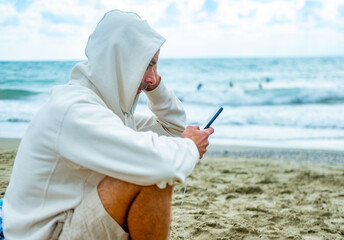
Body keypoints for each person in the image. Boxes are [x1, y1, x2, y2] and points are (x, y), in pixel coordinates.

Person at [3, 10, 214, 240]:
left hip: (67, 217)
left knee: (146, 165)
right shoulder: (76, 110)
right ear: (122, 61)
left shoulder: (107, 109)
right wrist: (191, 147)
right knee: (150, 176)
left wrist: (154, 85)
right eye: (148, 64)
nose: (153, 77)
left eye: (156, 66)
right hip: (45, 233)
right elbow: (162, 164)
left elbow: (174, 131)